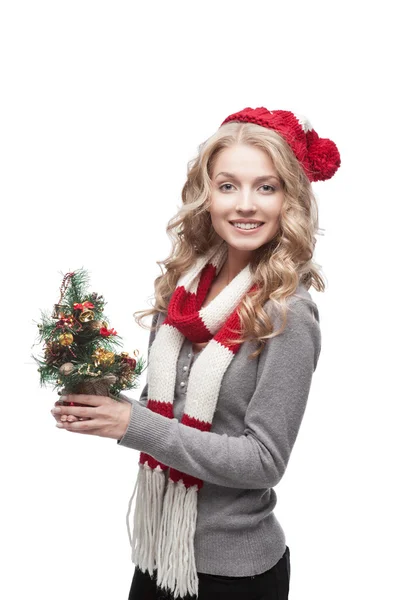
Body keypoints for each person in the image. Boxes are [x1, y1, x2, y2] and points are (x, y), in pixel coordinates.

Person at [51, 106, 340, 600]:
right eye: (228, 185)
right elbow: (170, 417)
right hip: (160, 551)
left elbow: (264, 460)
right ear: (206, 194)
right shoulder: (182, 293)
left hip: (234, 574)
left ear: (289, 199)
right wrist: (104, 407)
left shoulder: (287, 313)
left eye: (265, 187)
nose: (245, 204)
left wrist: (132, 424)